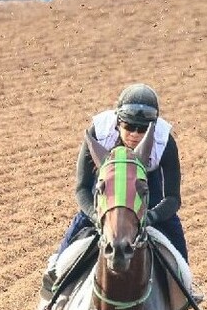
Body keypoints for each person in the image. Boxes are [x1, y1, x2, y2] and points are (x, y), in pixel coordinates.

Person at [39, 83, 189, 298]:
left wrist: (151, 216)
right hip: (105, 192)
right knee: (77, 230)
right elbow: (82, 188)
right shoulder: (98, 132)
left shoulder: (165, 142)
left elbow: (173, 198)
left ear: (154, 128)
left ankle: (186, 289)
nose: (135, 134)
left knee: (177, 251)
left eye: (143, 129)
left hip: (145, 189)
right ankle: (54, 281)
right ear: (118, 122)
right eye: (129, 127)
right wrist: (94, 215)